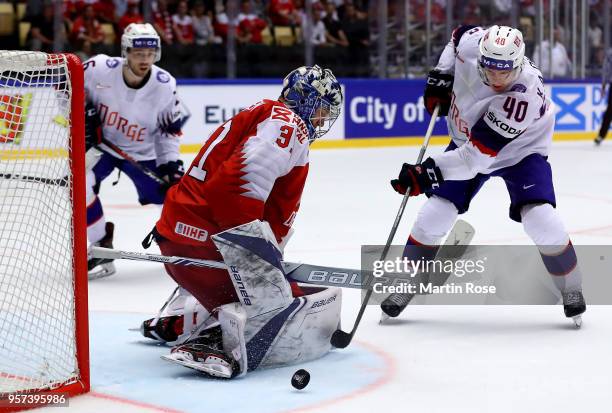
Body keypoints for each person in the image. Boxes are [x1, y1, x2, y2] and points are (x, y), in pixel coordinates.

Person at [140, 65, 344, 379]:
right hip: (205, 240)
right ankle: (211, 343)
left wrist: (269, 251)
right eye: (322, 110)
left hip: (183, 239)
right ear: (306, 102)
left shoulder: (269, 117)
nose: (322, 121)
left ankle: (178, 317)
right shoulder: (288, 124)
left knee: (269, 284)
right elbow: (234, 189)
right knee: (273, 301)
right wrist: (256, 263)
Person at [380, 25, 586, 325]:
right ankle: (407, 280)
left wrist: (426, 173)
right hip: (469, 141)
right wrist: (442, 74)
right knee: (433, 214)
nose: (498, 78)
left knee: (540, 219)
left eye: (506, 71)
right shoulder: (471, 44)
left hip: (521, 151)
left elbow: (474, 160)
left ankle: (572, 285)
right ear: (480, 58)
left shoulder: (522, 97)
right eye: (491, 69)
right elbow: (456, 34)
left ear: (519, 64)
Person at [84, 23, 189, 278]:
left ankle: (188, 249)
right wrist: (81, 116)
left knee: (175, 197)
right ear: (125, 52)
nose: (145, 60)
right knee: (79, 184)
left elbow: (168, 132)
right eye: (138, 54)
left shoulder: (164, 84)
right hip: (103, 149)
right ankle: (100, 246)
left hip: (143, 153)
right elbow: (66, 88)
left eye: (150, 54)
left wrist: (171, 165)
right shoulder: (98, 69)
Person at [594, 47, 612, 145]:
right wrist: (604, 86)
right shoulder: (610, 53)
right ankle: (601, 135)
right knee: (610, 111)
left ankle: (601, 135)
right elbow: (606, 69)